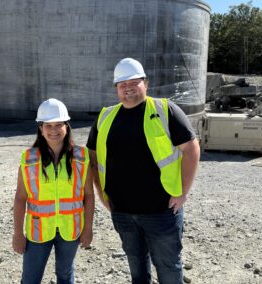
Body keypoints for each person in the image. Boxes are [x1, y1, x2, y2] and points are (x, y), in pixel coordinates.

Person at [86, 58, 200, 284]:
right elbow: (93, 158)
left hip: (161, 211)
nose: (128, 88)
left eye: (134, 82)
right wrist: (102, 194)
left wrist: (183, 192)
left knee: (168, 268)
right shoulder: (106, 117)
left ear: (145, 83)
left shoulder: (165, 110)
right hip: (122, 212)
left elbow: (191, 149)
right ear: (117, 88)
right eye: (122, 84)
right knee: (137, 268)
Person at [13, 98, 94, 284]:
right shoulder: (29, 159)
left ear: (67, 126)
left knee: (65, 276)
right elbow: (20, 198)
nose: (54, 130)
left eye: (59, 125)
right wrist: (17, 234)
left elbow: (89, 196)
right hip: (38, 230)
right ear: (41, 129)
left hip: (70, 229)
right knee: (30, 279)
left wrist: (88, 228)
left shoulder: (81, 157)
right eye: (48, 125)